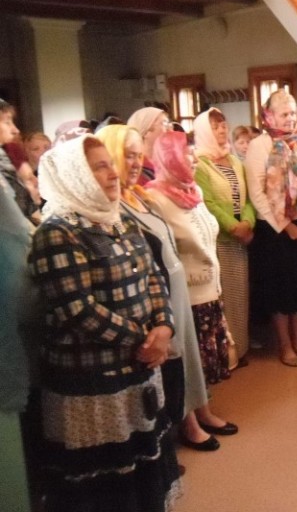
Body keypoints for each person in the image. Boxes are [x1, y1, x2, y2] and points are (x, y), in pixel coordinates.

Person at [28, 134, 181, 512]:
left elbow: (153, 277)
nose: (113, 174)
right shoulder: (57, 232)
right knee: (106, 490)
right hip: (92, 386)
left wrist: (164, 327)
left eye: (110, 164)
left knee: (143, 476)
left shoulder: (118, 218)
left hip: (139, 372)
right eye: (99, 167)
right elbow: (77, 310)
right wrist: (145, 339)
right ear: (75, 176)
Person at [97, 124, 237, 453]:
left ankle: (202, 411)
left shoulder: (139, 196)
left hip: (177, 287)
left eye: (137, 155)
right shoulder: (118, 206)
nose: (135, 162)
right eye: (126, 155)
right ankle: (188, 423)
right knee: (177, 360)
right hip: (161, 294)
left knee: (190, 357)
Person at [245, 89, 297, 367]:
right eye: (284, 114)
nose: (290, 118)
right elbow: (258, 194)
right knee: (281, 290)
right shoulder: (259, 146)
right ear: (269, 116)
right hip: (275, 230)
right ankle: (285, 345)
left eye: (293, 112)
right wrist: (286, 226)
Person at [146, 131, 232, 386]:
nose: (194, 160)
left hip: (211, 291)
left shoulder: (194, 192)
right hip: (187, 298)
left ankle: (205, 406)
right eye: (187, 154)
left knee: (208, 371)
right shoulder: (155, 199)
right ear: (170, 157)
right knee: (191, 373)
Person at [193, 108, 256, 365]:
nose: (221, 129)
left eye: (223, 124)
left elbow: (248, 198)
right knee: (223, 299)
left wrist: (247, 223)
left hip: (240, 241)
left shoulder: (234, 161)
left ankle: (240, 348)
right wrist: (233, 227)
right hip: (220, 241)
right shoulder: (200, 164)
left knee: (239, 297)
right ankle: (225, 354)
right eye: (215, 126)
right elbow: (207, 203)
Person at [127, 106, 172, 184]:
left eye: (169, 124)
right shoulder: (136, 172)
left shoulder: (167, 166)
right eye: (164, 124)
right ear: (146, 132)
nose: (170, 130)